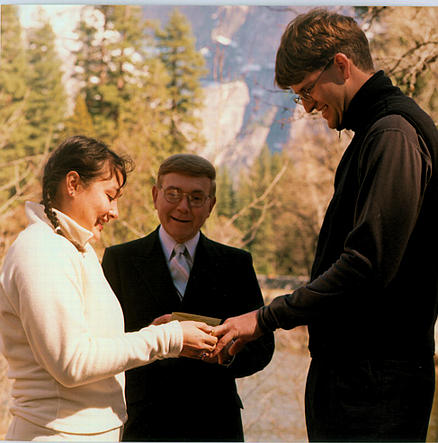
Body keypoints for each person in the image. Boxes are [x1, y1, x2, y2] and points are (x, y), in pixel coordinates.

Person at [212, 8, 438, 442]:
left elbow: (365, 266)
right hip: (362, 380)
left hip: (374, 386)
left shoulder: (392, 135)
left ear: (341, 64)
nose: (307, 105)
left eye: (307, 90)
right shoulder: (376, 133)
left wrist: (266, 318)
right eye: (299, 96)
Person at [0, 135, 217, 441]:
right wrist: (169, 338)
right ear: (73, 184)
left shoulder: (77, 249)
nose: (115, 212)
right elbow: (72, 362)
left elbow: (93, 345)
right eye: (109, 195)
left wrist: (153, 332)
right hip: (56, 434)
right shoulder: (41, 251)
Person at [101, 153, 275, 442]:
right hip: (142, 422)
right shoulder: (119, 260)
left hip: (217, 424)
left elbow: (262, 348)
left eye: (196, 198)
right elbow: (103, 345)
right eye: (173, 194)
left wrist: (224, 353)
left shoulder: (236, 264)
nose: (183, 206)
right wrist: (153, 339)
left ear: (210, 206)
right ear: (155, 196)